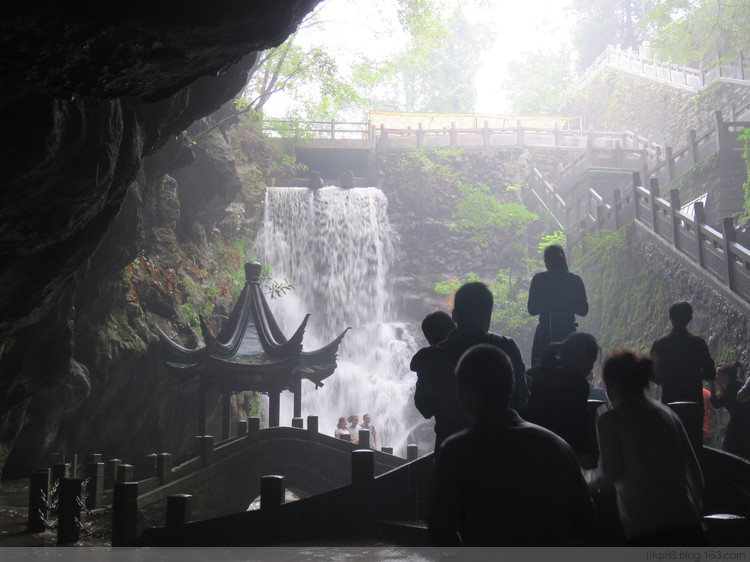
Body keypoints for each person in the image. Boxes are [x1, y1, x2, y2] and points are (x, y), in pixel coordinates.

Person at [427, 344, 595, 546]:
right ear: (513, 386)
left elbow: (439, 532)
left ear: (462, 392)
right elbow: (586, 524)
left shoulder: (455, 452)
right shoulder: (557, 446)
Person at [596, 350, 705, 546]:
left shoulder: (611, 420)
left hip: (646, 528)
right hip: (686, 522)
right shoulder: (667, 414)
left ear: (613, 384)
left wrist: (583, 480)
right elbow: (695, 473)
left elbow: (611, 474)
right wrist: (696, 511)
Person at [411, 282, 528, 451]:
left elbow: (424, 407)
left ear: (455, 316)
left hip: (451, 454)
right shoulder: (508, 347)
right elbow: (521, 399)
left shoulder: (431, 357)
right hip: (500, 450)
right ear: (488, 316)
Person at [522, 333, 599, 466]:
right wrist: (585, 452)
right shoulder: (576, 381)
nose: (591, 367)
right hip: (557, 452)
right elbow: (578, 421)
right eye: (591, 361)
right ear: (580, 356)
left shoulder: (533, 372)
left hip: (528, 447)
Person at [650, 301, 715, 446]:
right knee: (694, 445)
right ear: (690, 318)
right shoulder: (698, 343)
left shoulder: (660, 344)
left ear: (670, 317)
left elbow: (651, 373)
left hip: (670, 402)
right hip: (694, 404)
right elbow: (710, 373)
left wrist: (664, 379)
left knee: (671, 445)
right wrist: (697, 374)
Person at [527, 244, 589, 366]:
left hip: (545, 334)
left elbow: (532, 310)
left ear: (547, 261)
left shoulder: (539, 280)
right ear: (564, 259)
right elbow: (583, 310)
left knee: (541, 373)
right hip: (568, 334)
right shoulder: (574, 280)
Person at [710, 361, 750, 459]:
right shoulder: (732, 386)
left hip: (741, 425)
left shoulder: (735, 387)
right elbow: (718, 403)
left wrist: (713, 384)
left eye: (718, 374)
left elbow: (719, 402)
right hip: (739, 424)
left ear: (725, 376)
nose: (716, 376)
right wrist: (714, 384)